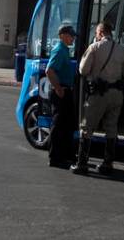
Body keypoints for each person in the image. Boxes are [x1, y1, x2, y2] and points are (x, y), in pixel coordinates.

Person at [72, 22, 124, 176]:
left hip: (99, 94)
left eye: (96, 33)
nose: (95, 35)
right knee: (111, 128)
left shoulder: (95, 47)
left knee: (87, 127)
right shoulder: (121, 50)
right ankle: (108, 164)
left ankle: (82, 164)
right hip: (117, 94)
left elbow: (83, 69)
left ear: (101, 33)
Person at [45, 24, 77, 169]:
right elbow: (49, 71)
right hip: (61, 92)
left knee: (66, 126)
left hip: (65, 90)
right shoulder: (59, 50)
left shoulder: (65, 50)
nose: (73, 38)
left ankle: (64, 156)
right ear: (62, 35)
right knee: (58, 127)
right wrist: (58, 89)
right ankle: (55, 158)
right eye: (71, 35)